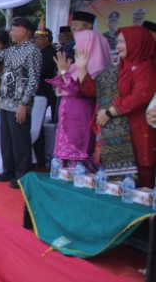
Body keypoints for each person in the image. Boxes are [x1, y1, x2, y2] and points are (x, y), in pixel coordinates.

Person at [79, 26, 156, 187]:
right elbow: (93, 91)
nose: (118, 46)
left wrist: (109, 111)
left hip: (139, 129)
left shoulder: (147, 68)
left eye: (122, 42)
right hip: (117, 134)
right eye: (117, 42)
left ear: (137, 42)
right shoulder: (119, 68)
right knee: (118, 185)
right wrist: (82, 69)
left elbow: (140, 97)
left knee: (142, 177)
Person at [0, 17, 42, 188]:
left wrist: (24, 103)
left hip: (19, 103)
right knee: (6, 140)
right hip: (5, 102)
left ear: (23, 31)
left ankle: (22, 176)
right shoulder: (13, 50)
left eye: (14, 29)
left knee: (20, 140)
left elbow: (34, 80)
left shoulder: (33, 51)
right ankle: (8, 171)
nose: (11, 32)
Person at [49, 28, 111, 168]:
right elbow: (60, 86)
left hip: (81, 115)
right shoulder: (76, 66)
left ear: (90, 45)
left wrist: (64, 72)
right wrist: (62, 71)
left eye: (79, 43)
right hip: (67, 114)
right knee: (64, 156)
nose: (76, 47)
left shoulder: (96, 68)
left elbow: (80, 91)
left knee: (78, 154)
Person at [32, 23, 57, 168]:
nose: (34, 40)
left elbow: (41, 73)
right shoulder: (40, 52)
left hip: (44, 94)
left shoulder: (50, 54)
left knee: (37, 128)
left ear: (45, 39)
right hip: (38, 93)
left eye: (37, 38)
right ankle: (37, 158)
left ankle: (40, 160)